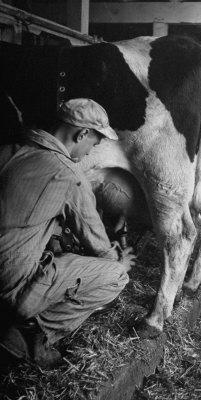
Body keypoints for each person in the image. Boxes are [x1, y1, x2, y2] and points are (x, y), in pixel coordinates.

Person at [0, 98, 136, 368]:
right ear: (82, 133)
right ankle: (31, 335)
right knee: (116, 277)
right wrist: (119, 261)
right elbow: (97, 243)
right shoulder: (67, 174)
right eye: (94, 143)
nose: (89, 152)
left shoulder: (8, 151)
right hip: (8, 286)